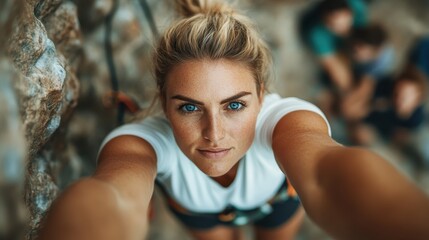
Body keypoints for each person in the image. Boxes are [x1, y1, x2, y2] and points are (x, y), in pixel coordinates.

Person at [38, 1, 429, 240]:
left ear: (262, 95)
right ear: (163, 102)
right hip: (209, 218)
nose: (214, 134)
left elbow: (329, 173)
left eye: (235, 106)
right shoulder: (146, 139)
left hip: (273, 205)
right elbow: (112, 196)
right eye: (189, 107)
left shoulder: (281, 121)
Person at [299, 0, 368, 94]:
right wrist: (350, 92)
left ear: (351, 14)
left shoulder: (358, 7)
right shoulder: (317, 34)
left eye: (343, 25)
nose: (340, 30)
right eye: (333, 25)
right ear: (325, 23)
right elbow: (335, 69)